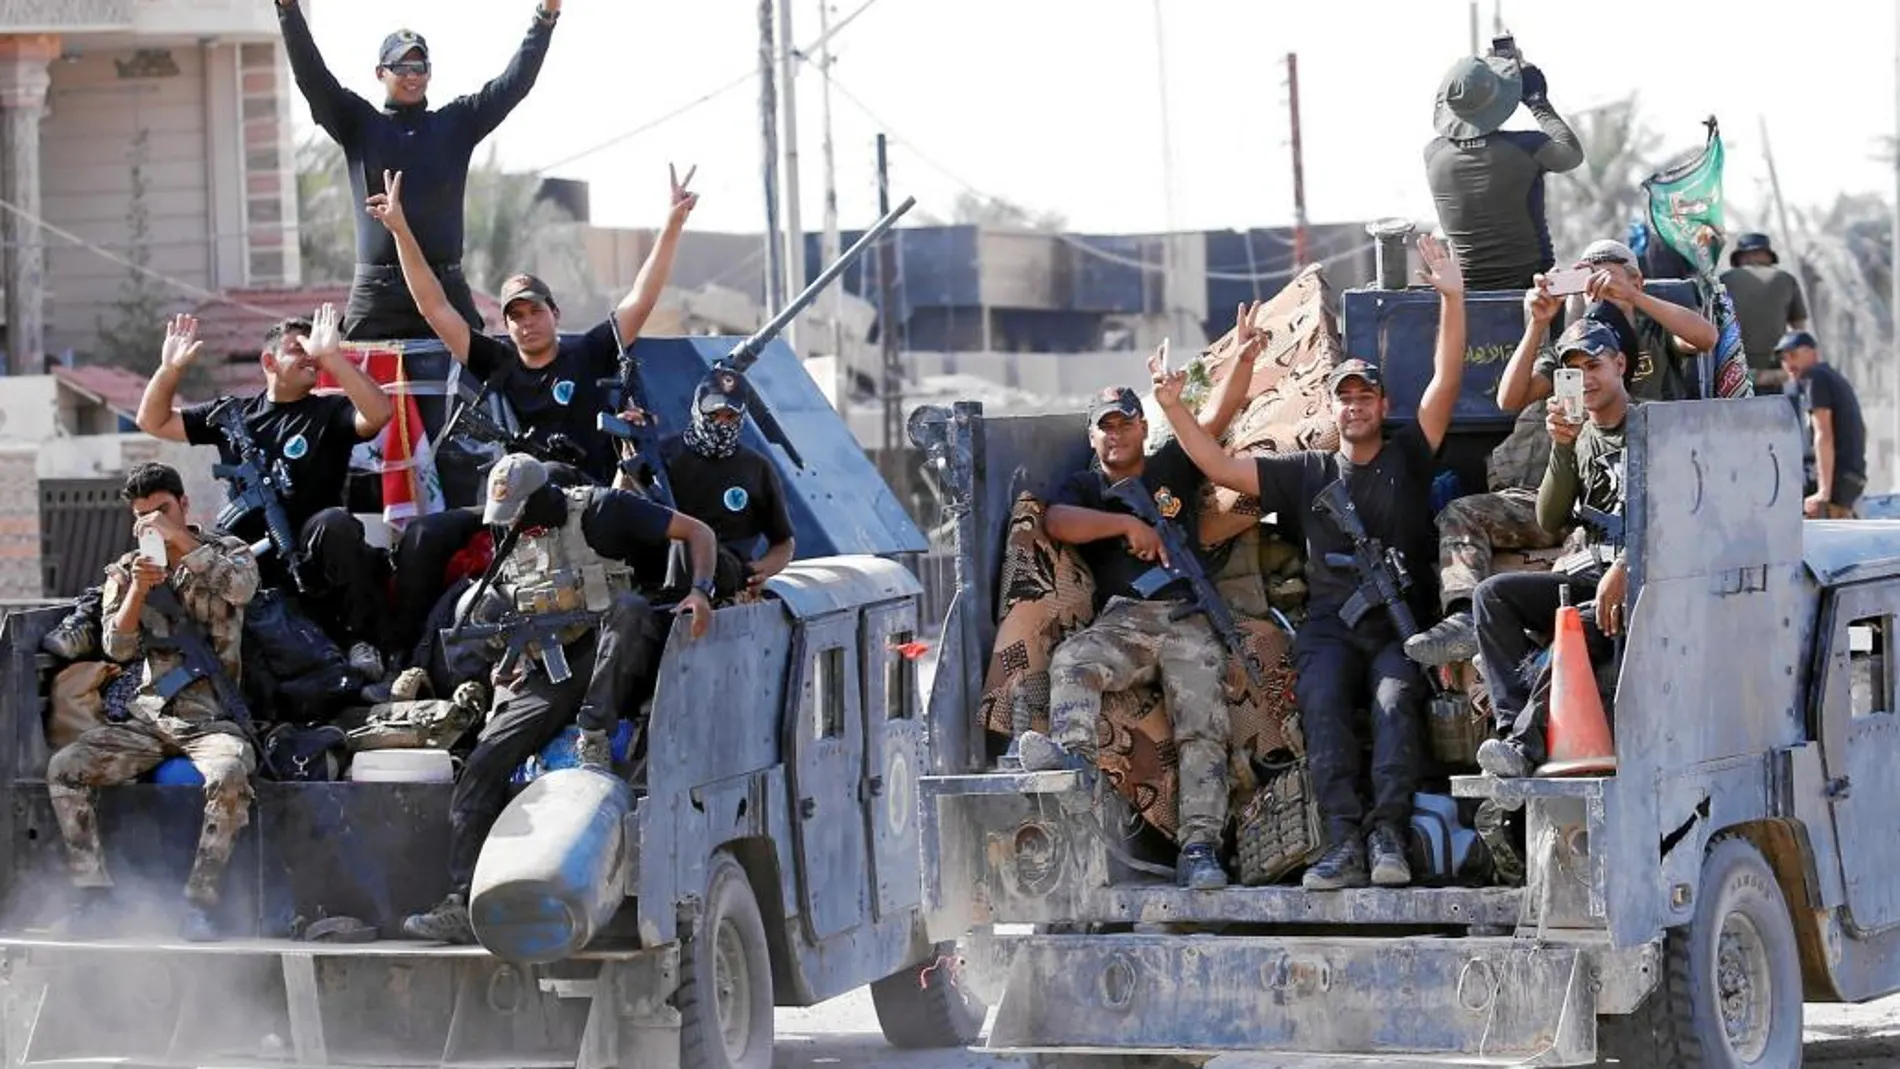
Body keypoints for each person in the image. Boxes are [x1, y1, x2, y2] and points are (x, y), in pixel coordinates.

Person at [1147, 237, 1467, 891]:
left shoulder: (1407, 457)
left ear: (1380, 406)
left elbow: (1446, 382)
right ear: (1330, 407)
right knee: (1320, 704)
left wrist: (1453, 299)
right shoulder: (1309, 471)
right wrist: (1175, 406)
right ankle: (1344, 840)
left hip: (1398, 625)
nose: (1354, 406)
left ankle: (1388, 836)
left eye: (1365, 397)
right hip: (1330, 627)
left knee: (1394, 702)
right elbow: (1216, 466)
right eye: (1343, 397)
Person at [401, 453, 719, 944]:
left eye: (519, 517)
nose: (513, 529)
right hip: (551, 662)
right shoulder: (512, 536)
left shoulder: (601, 510)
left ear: (542, 500)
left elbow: (699, 533)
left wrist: (700, 591)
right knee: (484, 762)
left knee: (630, 610)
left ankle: (595, 734)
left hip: (616, 654)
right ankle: (462, 899)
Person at [1010, 303, 1268, 892]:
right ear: (1092, 434)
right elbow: (1056, 521)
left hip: (1185, 617)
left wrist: (1246, 357)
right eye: (1105, 425)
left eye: (1125, 422)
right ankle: (1073, 772)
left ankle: (1201, 845)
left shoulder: (1171, 467)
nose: (1115, 433)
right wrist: (1126, 527)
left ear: (1142, 429)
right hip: (1125, 621)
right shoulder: (1086, 487)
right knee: (1074, 661)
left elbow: (1218, 414)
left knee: (1202, 720)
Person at [368, 164, 699, 487]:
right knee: (427, 536)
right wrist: (399, 230)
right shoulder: (499, 362)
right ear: (507, 324)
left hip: (588, 499)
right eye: (516, 316)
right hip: (519, 501)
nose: (527, 322)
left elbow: (641, 299)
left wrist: (673, 223)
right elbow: (434, 307)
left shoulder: (589, 352)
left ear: (555, 314)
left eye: (535, 311)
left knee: (553, 475)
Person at [48, 463, 261, 942]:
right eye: (143, 516)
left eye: (161, 511)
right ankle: (94, 896)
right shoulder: (127, 570)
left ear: (184, 506)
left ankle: (199, 905)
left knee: (229, 775)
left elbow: (242, 589)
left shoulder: (227, 552)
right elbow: (117, 649)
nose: (152, 524)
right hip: (151, 720)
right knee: (66, 767)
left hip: (212, 719)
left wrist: (181, 544)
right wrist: (139, 589)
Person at [274, 0, 561, 340]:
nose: (412, 76)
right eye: (401, 67)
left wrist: (545, 19)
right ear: (381, 72)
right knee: (352, 381)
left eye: (419, 66)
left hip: (444, 284)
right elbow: (312, 76)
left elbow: (514, 84)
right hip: (379, 291)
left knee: (482, 375)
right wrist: (289, 11)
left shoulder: (457, 122)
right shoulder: (357, 123)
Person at [136, 307, 395, 679]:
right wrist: (170, 370)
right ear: (269, 361)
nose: (310, 356)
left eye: (314, 348)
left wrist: (333, 360)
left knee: (334, 523)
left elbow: (379, 412)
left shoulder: (329, 411)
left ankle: (361, 642)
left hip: (313, 556)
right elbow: (154, 420)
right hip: (248, 561)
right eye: (298, 348)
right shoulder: (233, 415)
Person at [1472, 317, 1634, 778]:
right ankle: (1512, 730)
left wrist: (1626, 566)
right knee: (1492, 596)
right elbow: (1549, 519)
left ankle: (1524, 748)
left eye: (1594, 365)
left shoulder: (1651, 426)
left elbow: (1674, 513)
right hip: (1592, 571)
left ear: (1620, 364)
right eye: (1573, 371)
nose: (1585, 379)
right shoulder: (1580, 436)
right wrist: (1562, 447)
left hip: (1641, 578)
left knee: (1575, 630)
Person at [1423, 43, 1583, 292]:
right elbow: (1571, 154)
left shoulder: (1433, 154)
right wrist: (1537, 101)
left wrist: (1489, 78)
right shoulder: (1528, 147)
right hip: (1535, 290)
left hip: (1468, 291)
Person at [1496, 239, 1718, 409]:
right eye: (1590, 279)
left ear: (1637, 282)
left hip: (1657, 436)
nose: (1600, 287)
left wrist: (1632, 295)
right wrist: (1538, 323)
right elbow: (1510, 401)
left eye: (1608, 277)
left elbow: (1706, 338)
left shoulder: (1655, 331)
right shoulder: (1573, 344)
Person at [644, 366, 796, 602]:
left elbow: (783, 541)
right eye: (713, 415)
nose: (721, 424)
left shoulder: (756, 468)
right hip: (661, 572)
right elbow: (626, 507)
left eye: (730, 417)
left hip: (727, 572)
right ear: (697, 408)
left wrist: (760, 571)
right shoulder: (663, 457)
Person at [1778, 331, 1867, 519]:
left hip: (1837, 481)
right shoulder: (1830, 376)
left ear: (1813, 353)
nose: (1788, 363)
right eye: (1784, 358)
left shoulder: (1815, 376)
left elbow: (1823, 434)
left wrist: (1823, 493)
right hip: (1851, 477)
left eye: (1793, 354)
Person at [1720, 233, 1810, 391]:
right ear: (1768, 256)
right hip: (1775, 370)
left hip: (1734, 370)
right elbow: (1799, 331)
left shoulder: (1724, 281)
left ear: (1740, 257)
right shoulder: (1786, 280)